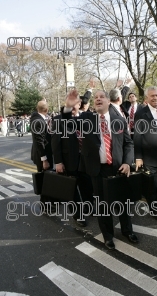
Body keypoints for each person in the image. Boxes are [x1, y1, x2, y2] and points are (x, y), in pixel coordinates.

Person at [62, 89, 138, 250]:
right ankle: (108, 236)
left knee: (122, 202)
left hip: (118, 168)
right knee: (102, 205)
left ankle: (127, 230)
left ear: (108, 101)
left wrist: (127, 162)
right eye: (95, 97)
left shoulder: (119, 119)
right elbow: (67, 121)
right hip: (97, 170)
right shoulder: (86, 118)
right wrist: (68, 107)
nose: (98, 99)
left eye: (101, 97)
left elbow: (128, 143)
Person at [51, 95, 93, 227]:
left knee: (87, 186)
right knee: (72, 189)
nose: (76, 104)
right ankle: (78, 215)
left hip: (86, 159)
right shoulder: (59, 119)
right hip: (69, 160)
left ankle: (89, 208)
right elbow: (55, 142)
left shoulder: (87, 117)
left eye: (77, 101)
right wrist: (58, 162)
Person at [134, 86, 157, 221]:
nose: (155, 98)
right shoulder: (141, 113)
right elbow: (137, 136)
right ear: (146, 98)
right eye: (152, 96)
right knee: (153, 186)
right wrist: (138, 157)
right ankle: (156, 210)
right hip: (149, 155)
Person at [30, 101, 53, 208]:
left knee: (47, 179)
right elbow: (39, 142)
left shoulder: (38, 118)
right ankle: (45, 204)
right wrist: (44, 159)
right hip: (42, 155)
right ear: (46, 109)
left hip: (42, 154)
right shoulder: (38, 121)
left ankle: (49, 200)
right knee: (45, 180)